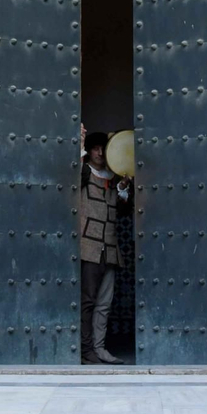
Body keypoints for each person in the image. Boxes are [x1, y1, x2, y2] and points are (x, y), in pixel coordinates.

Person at [80, 125, 131, 364]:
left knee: (104, 304)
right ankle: (85, 349)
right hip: (89, 247)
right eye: (96, 149)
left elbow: (122, 210)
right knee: (88, 302)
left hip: (109, 249)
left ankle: (99, 349)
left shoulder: (115, 178)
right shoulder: (83, 173)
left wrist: (122, 189)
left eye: (103, 149)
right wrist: (79, 143)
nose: (100, 153)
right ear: (89, 152)